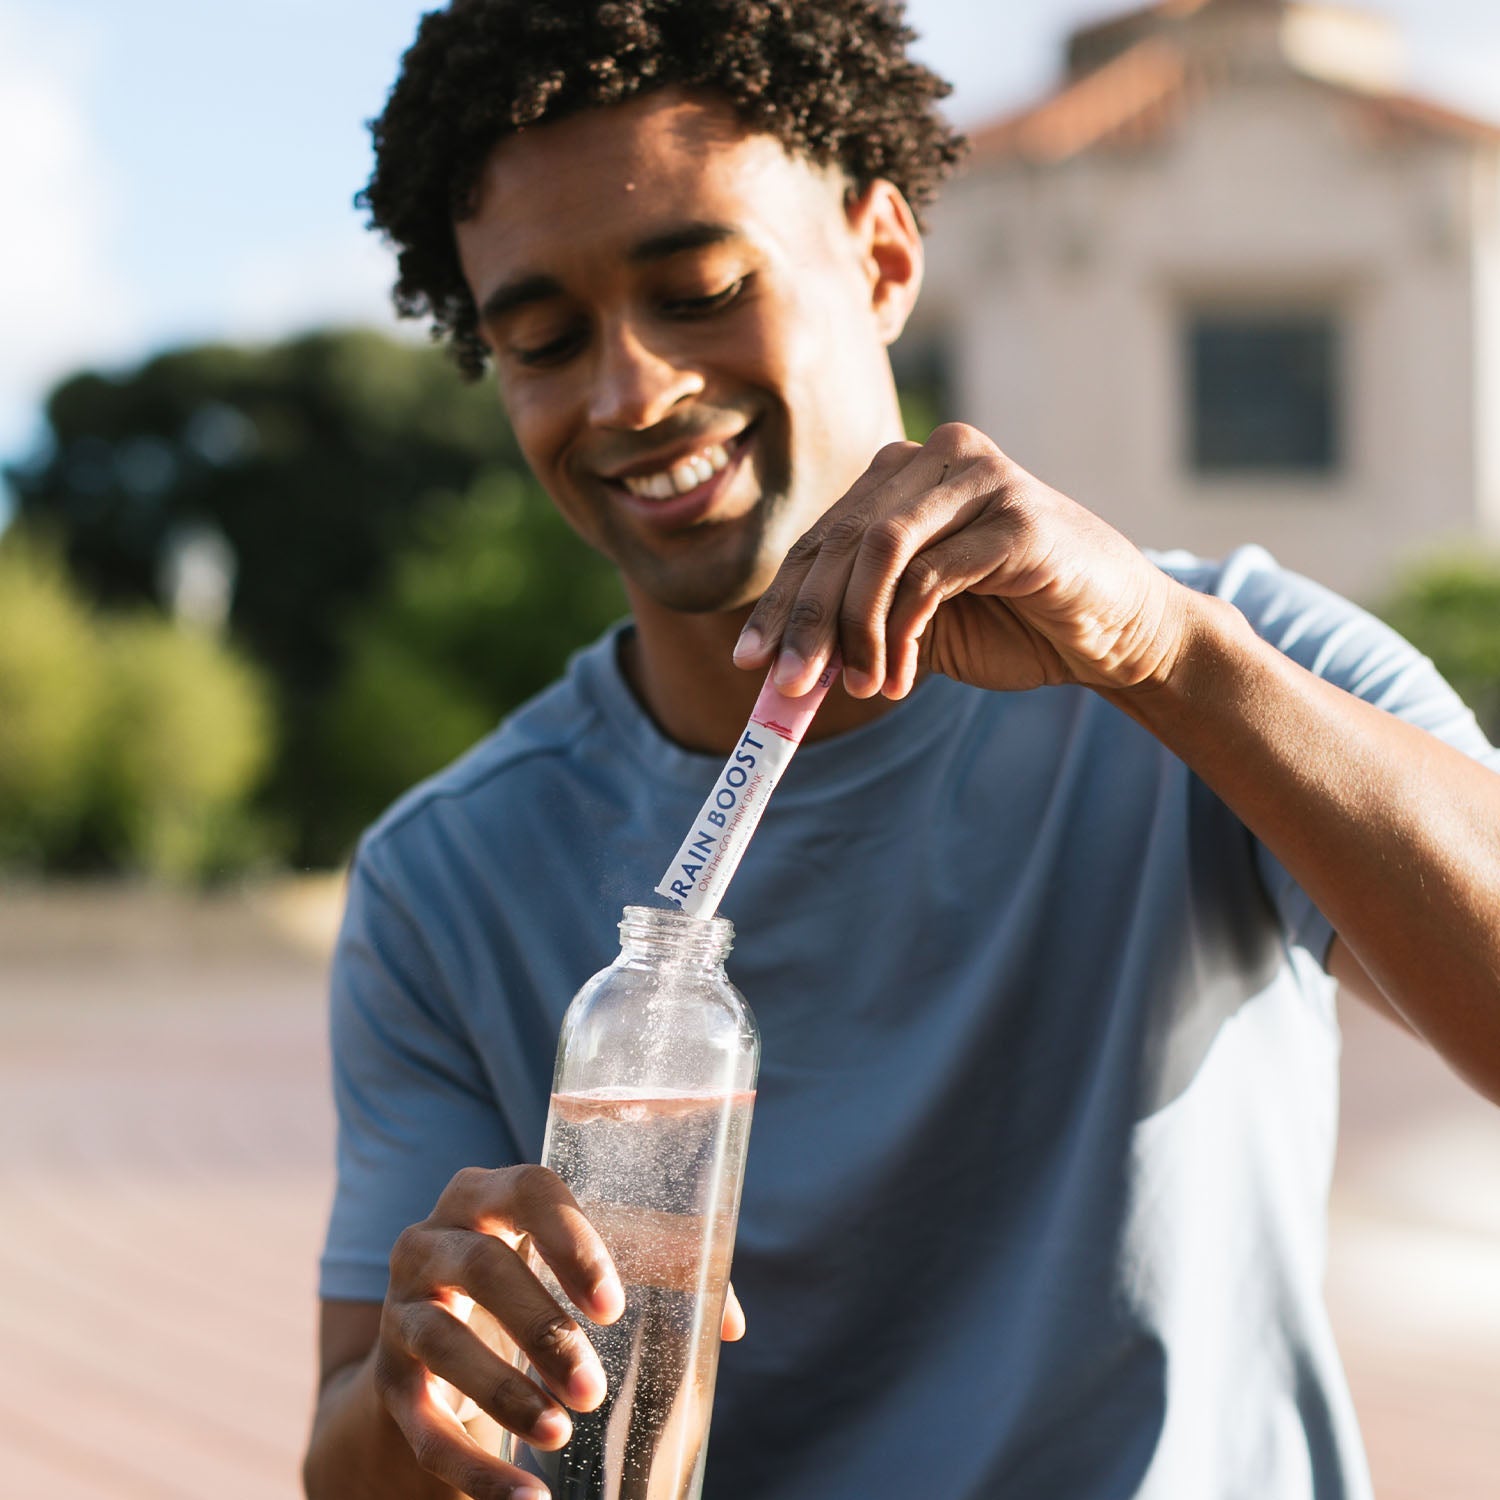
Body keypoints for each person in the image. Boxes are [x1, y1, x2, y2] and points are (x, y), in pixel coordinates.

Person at [302, 3, 1500, 1497]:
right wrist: (426, 1383)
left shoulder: (1224, 656)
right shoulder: (448, 877)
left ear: (882, 256)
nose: (627, 393)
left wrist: (1170, 660)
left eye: (701, 289)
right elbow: (357, 1460)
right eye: (541, 341)